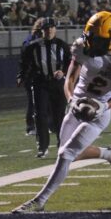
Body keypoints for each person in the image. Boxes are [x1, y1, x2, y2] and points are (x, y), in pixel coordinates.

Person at [12, 11, 111, 213]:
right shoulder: (81, 47)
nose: (92, 42)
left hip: (99, 113)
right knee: (68, 153)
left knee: (66, 153)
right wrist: (72, 100)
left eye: (98, 39)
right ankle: (109, 154)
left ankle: (40, 201)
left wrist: (103, 107)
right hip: (77, 104)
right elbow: (69, 80)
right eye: (91, 37)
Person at [17, 17, 71, 158]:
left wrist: (63, 71)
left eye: (51, 27)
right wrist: (21, 76)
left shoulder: (62, 45)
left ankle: (62, 145)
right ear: (41, 30)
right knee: (40, 115)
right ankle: (42, 147)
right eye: (46, 28)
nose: (49, 30)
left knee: (59, 115)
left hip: (58, 83)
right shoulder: (33, 47)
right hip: (40, 82)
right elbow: (24, 64)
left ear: (55, 29)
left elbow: (70, 63)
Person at [17, 18, 45, 136]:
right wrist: (22, 74)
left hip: (40, 74)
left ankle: (44, 125)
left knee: (42, 101)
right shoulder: (31, 41)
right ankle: (30, 127)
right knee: (33, 101)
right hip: (32, 75)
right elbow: (24, 59)